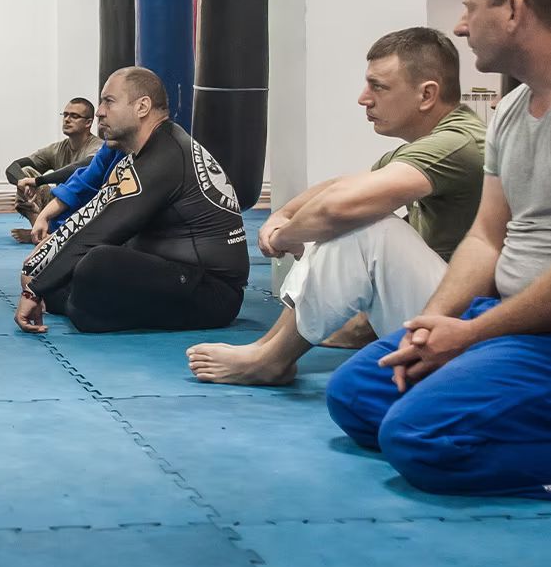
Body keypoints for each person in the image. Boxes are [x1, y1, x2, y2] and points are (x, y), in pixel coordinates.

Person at [325, 0, 551, 499]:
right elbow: (485, 236)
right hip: (505, 317)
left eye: (471, 7)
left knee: (419, 438)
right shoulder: (511, 112)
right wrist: (430, 328)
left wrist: (472, 333)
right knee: (355, 396)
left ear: (515, 10)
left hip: (533, 332)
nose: (461, 26)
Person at [186, 27, 485, 385]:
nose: (364, 98)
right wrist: (284, 215)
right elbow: (344, 185)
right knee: (346, 213)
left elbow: (338, 208)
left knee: (363, 224)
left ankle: (272, 358)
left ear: (427, 94)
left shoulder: (457, 143)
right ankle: (273, 344)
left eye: (379, 86)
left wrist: (286, 236)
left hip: (467, 326)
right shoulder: (436, 140)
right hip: (446, 310)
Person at [15, 66, 248, 334]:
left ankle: (81, 307)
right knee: (68, 272)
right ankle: (81, 304)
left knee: (95, 263)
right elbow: (93, 214)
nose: (100, 111)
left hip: (212, 291)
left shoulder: (167, 156)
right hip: (170, 272)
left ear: (142, 107)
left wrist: (35, 291)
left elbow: (102, 231)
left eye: (109, 101)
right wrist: (42, 266)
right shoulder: (140, 155)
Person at [5, 97, 103, 243]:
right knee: (25, 173)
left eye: (74, 116)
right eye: (65, 115)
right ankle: (38, 232)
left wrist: (38, 181)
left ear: (88, 122)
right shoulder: (57, 149)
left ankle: (47, 233)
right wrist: (25, 184)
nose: (67, 120)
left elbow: (80, 168)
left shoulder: (98, 146)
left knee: (33, 179)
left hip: (87, 208)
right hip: (59, 206)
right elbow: (13, 168)